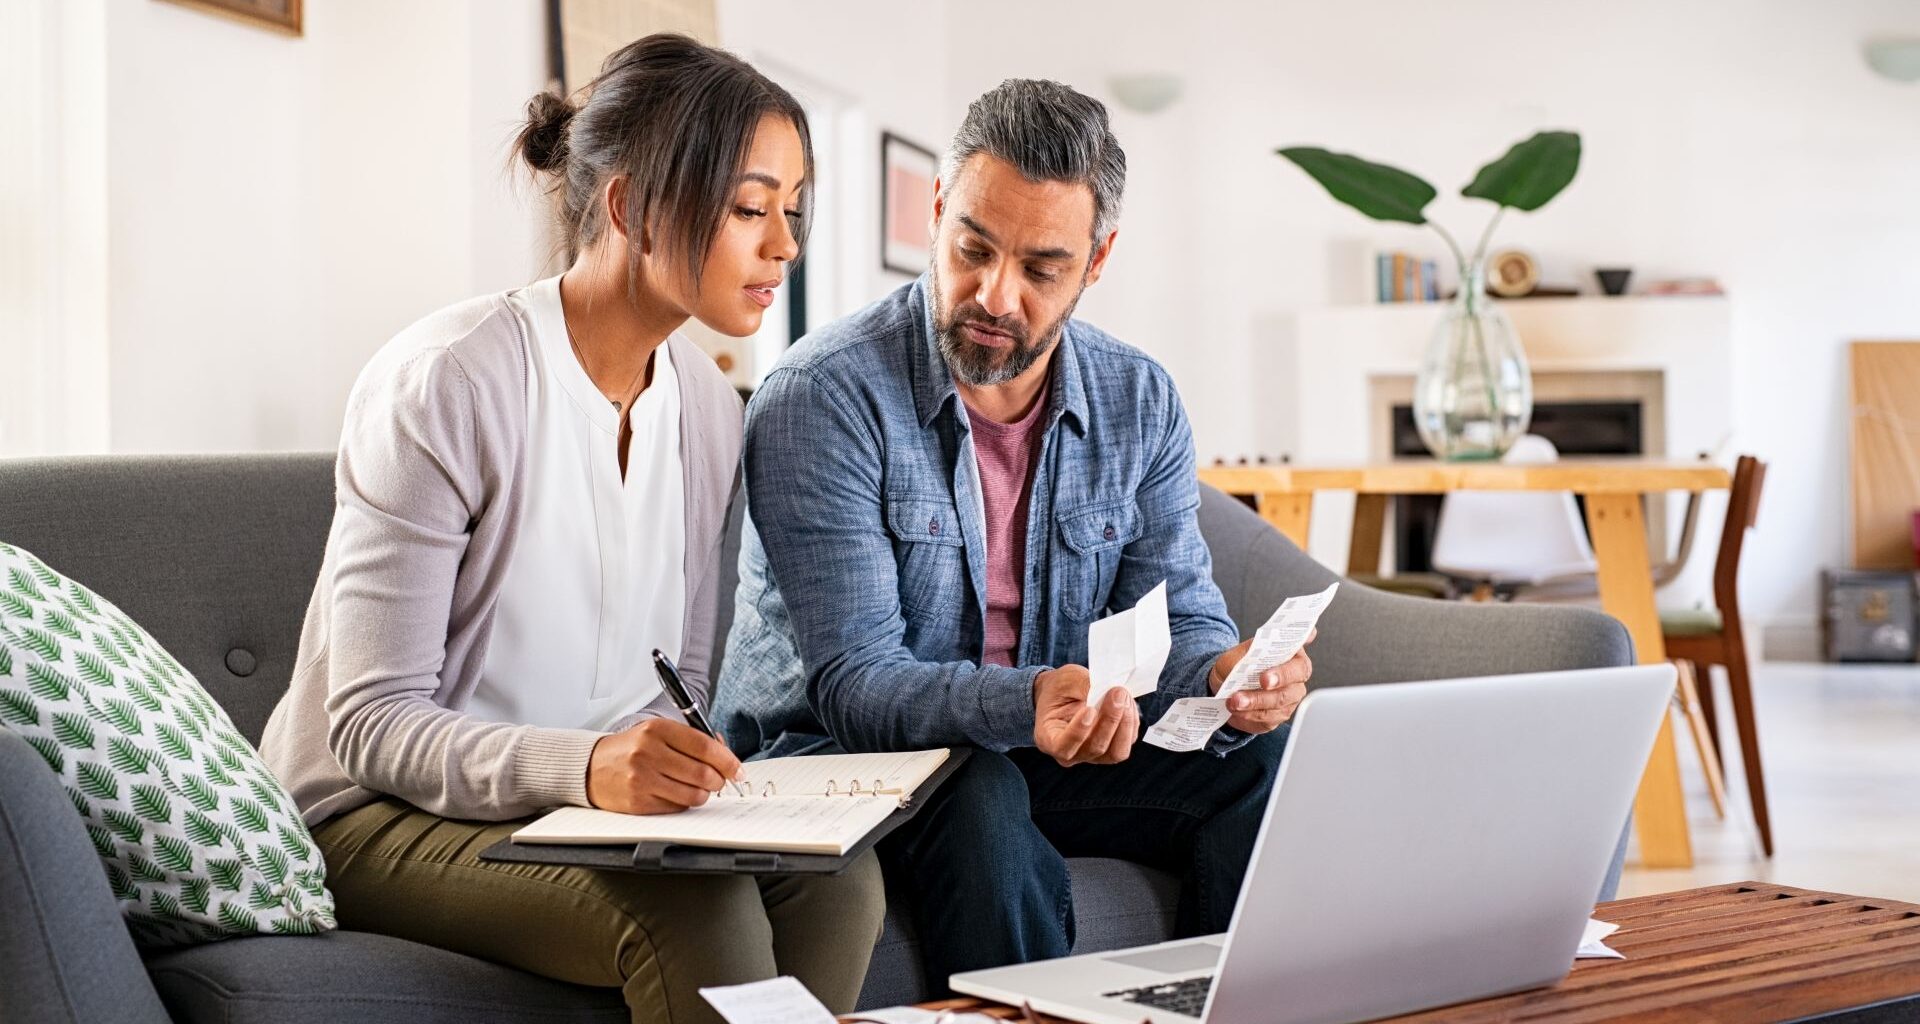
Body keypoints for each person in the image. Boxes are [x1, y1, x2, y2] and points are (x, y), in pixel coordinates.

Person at [260, 34, 884, 1024]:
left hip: (582, 814)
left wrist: (698, 773)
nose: (784, 246)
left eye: (792, 211)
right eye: (749, 208)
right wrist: (588, 767)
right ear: (631, 206)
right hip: (376, 816)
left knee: (842, 882)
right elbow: (371, 725)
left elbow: (674, 688)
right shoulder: (448, 383)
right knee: (699, 912)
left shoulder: (712, 409)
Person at [714, 79, 1313, 989]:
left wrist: (1227, 676)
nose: (995, 295)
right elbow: (854, 685)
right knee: (982, 793)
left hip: (1037, 742)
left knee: (1262, 764)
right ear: (939, 212)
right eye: (973, 249)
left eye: (1041, 269)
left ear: (1096, 260)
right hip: (836, 760)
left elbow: (1183, 618)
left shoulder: (1139, 399)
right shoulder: (824, 396)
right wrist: (1032, 702)